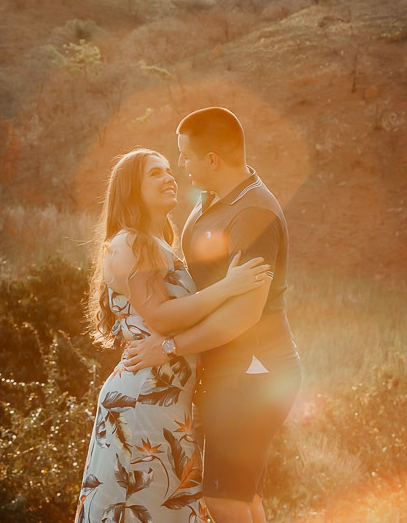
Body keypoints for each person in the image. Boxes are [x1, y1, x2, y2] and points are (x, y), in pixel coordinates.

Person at [75, 147, 271, 523]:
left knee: (165, 509)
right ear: (131, 188)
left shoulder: (159, 245)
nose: (169, 178)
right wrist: (229, 287)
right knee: (144, 510)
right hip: (141, 401)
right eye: (155, 173)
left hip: (167, 402)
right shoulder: (130, 242)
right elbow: (162, 318)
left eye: (169, 170)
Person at [124, 108, 301, 523]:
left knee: (224, 500)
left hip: (255, 374)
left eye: (185, 156)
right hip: (229, 371)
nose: (180, 164)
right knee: (242, 496)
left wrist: (167, 347)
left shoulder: (253, 214)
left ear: (212, 161)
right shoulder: (209, 201)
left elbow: (240, 317)